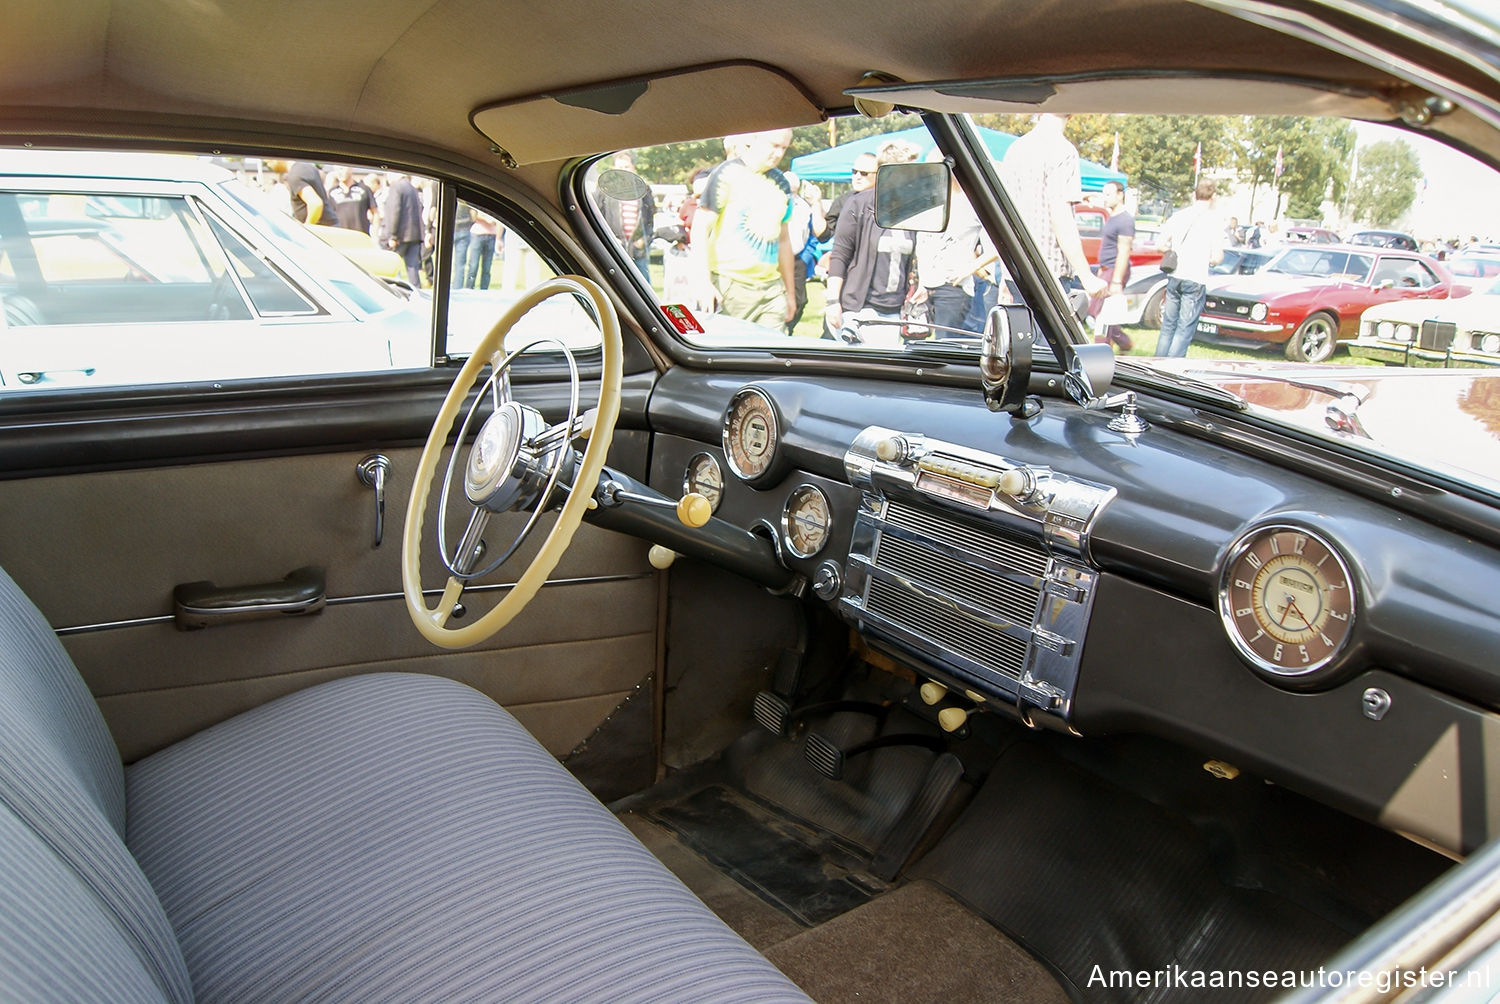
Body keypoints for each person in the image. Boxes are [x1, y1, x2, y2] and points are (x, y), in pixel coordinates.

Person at [690, 129, 797, 327]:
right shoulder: (727, 173)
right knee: (730, 354)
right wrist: (703, 282)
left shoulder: (782, 183)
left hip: (771, 291)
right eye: (774, 145)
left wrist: (790, 294)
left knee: (773, 353)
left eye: (784, 147)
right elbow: (699, 229)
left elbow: (784, 240)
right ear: (754, 140)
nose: (779, 153)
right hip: (729, 286)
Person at [998, 114, 1106, 310]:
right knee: (1050, 339)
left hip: (1015, 266)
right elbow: (1060, 217)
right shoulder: (1063, 151)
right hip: (1049, 269)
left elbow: (1004, 211)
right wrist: (1087, 276)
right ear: (1072, 112)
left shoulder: (1016, 149)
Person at [824, 140, 921, 347]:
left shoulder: (912, 209)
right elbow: (840, 254)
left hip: (894, 311)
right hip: (861, 308)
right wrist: (832, 302)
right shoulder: (859, 204)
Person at [915, 151, 997, 333]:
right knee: (921, 348)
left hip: (953, 286)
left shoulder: (970, 204)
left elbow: (1000, 246)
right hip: (928, 286)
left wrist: (970, 268)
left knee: (944, 347)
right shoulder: (928, 202)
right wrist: (922, 282)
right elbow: (923, 244)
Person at [1156, 178, 1224, 358]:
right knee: (1184, 329)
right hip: (1195, 277)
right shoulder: (1214, 220)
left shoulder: (1179, 216)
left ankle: (1156, 363)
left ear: (1194, 194)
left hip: (1175, 275)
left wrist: (1175, 251)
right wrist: (1207, 258)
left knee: (1168, 325)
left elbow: (1160, 244)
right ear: (1213, 196)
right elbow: (1217, 257)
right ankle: (1172, 367)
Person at [594, 151, 655, 284]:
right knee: (614, 285)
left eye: (626, 167)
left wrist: (644, 239)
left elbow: (650, 219)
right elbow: (596, 217)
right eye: (620, 168)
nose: (623, 171)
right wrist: (610, 238)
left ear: (633, 168)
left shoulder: (644, 190)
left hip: (638, 250)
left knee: (643, 285)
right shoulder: (605, 190)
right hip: (614, 247)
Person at [1091, 179, 1135, 351]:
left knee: (1103, 315)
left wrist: (1116, 280)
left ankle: (1100, 350)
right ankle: (1124, 342)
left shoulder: (1125, 220)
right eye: (1104, 194)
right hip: (1106, 269)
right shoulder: (1113, 217)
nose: (1105, 198)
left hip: (1114, 271)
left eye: (1109, 194)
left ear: (1120, 195)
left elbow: (1124, 251)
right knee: (1097, 310)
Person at [782, 171, 826, 334]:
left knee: (801, 300)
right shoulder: (775, 203)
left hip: (798, 259)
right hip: (776, 260)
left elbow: (813, 233)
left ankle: (789, 329)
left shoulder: (804, 207)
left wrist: (806, 256)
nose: (791, 194)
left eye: (794, 191)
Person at [380, 172, 425, 286]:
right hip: (414, 234)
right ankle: (417, 294)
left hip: (401, 235)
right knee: (412, 269)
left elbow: (394, 211)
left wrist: (392, 235)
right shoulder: (412, 188)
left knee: (390, 267)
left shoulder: (396, 187)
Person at [267, 160, 333, 225]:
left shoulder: (294, 174)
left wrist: (306, 228)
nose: (268, 165)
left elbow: (316, 204)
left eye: (269, 161)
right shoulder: (307, 166)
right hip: (329, 225)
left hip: (319, 230)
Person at [327, 166, 376, 234]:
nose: (339, 172)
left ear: (350, 169)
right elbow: (329, 217)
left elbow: (375, 213)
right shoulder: (332, 192)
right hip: (340, 236)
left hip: (361, 235)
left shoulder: (364, 189)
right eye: (336, 170)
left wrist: (375, 234)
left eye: (341, 169)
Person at [466, 209, 497, 289]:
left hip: (491, 234)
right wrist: (486, 220)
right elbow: (473, 216)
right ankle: (469, 288)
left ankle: (484, 289)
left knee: (487, 267)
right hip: (477, 234)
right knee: (473, 265)